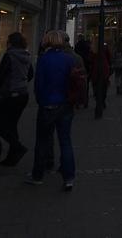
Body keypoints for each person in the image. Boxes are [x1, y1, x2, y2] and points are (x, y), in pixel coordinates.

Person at [26, 30, 76, 190]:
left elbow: (38, 84)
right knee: (65, 141)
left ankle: (38, 175)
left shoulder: (44, 60)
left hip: (48, 105)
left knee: (42, 141)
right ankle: (69, 178)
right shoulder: (68, 59)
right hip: (66, 105)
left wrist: (41, 100)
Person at [0, 32, 33, 166]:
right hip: (22, 95)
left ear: (10, 42)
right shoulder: (26, 55)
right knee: (12, 126)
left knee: (0, 126)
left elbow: (1, 75)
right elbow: (30, 73)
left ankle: (18, 147)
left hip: (10, 95)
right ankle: (12, 156)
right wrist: (21, 81)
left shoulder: (10, 55)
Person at [90, 41, 111, 110]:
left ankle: (99, 101)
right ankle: (101, 101)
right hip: (102, 73)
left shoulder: (94, 52)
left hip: (98, 73)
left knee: (98, 88)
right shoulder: (102, 52)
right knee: (103, 88)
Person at [74, 34, 92, 107]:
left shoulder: (77, 45)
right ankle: (85, 102)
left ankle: (78, 102)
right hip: (86, 67)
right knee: (85, 85)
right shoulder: (87, 45)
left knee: (77, 85)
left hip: (78, 66)